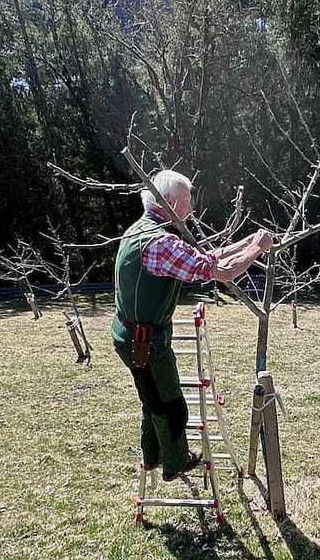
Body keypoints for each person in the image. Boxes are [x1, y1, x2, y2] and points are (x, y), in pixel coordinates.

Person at [112, 169, 273, 481]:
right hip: (144, 342)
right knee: (169, 404)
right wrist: (258, 249)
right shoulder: (160, 242)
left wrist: (247, 242)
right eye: (187, 200)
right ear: (169, 201)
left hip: (133, 335)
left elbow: (203, 259)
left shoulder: (142, 231)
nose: (192, 207)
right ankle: (175, 462)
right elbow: (224, 272)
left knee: (151, 396)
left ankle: (153, 454)